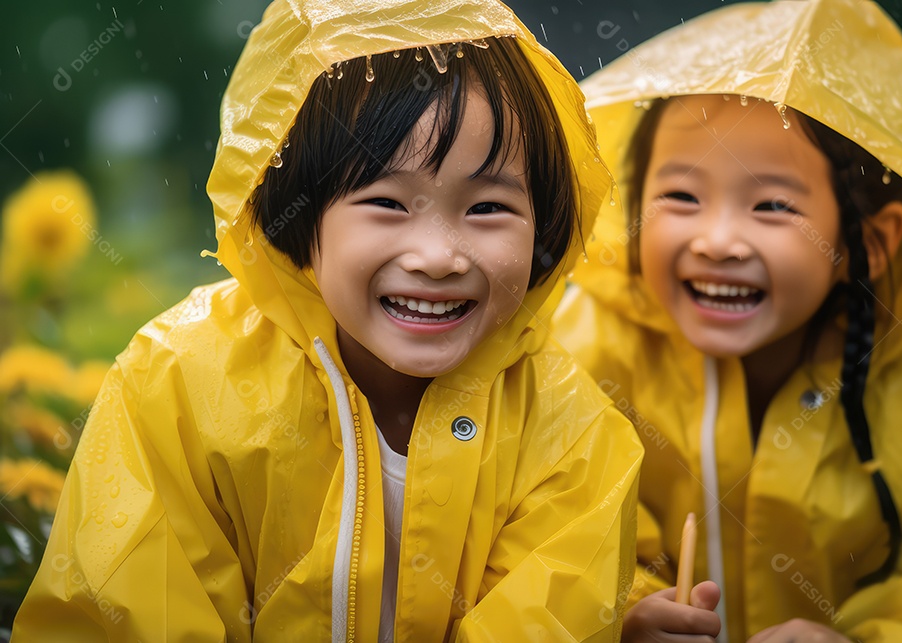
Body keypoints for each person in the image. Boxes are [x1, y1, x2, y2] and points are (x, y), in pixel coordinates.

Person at [12, 0, 644, 640]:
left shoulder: (574, 433)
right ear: (300, 215)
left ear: (547, 223)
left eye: (487, 208)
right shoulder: (175, 386)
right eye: (388, 203)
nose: (437, 257)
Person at [554, 0, 902, 641]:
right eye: (681, 197)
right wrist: (623, 617)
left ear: (872, 242)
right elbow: (549, 528)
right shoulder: (584, 353)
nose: (717, 240)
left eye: (772, 205)